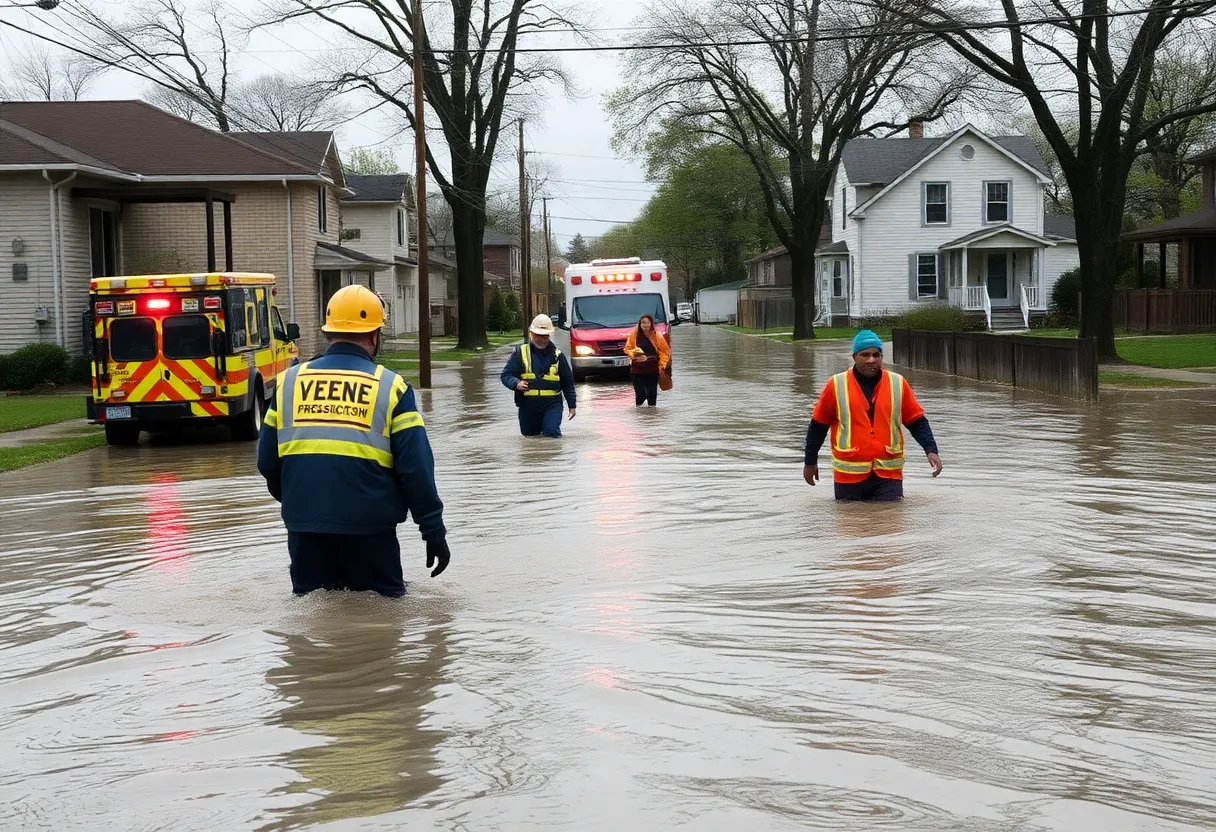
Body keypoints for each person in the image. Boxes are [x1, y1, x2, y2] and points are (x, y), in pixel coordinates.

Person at [257, 284, 450, 597]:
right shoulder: (392, 388)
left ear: (328, 332)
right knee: (381, 625)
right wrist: (433, 530)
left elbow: (267, 462)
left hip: (305, 530)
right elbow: (416, 470)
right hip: (370, 533)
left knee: (311, 626)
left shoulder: (288, 383)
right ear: (375, 335)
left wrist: (299, 501)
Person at [802, 329, 943, 501]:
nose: (871, 360)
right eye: (865, 355)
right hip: (848, 476)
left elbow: (917, 422)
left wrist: (931, 450)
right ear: (854, 357)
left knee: (890, 523)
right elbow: (818, 427)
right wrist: (810, 462)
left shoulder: (898, 383)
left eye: (877, 355)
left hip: (888, 476)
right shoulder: (836, 385)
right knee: (849, 526)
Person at [500, 314, 577, 438]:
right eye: (538, 335)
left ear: (549, 335)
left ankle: (553, 457)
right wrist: (516, 383)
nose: (541, 339)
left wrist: (572, 405)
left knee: (551, 434)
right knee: (530, 437)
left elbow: (568, 383)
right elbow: (506, 375)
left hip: (552, 405)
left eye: (544, 336)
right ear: (531, 333)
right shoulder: (520, 353)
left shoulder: (558, 355)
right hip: (527, 405)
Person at [624, 314, 671, 407]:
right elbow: (627, 348)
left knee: (652, 394)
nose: (645, 325)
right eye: (643, 323)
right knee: (641, 395)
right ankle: (639, 416)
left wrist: (662, 364)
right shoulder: (634, 335)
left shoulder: (657, 336)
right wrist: (634, 353)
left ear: (651, 324)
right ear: (640, 324)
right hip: (636, 370)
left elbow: (665, 351)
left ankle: (652, 417)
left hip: (652, 369)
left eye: (647, 323)